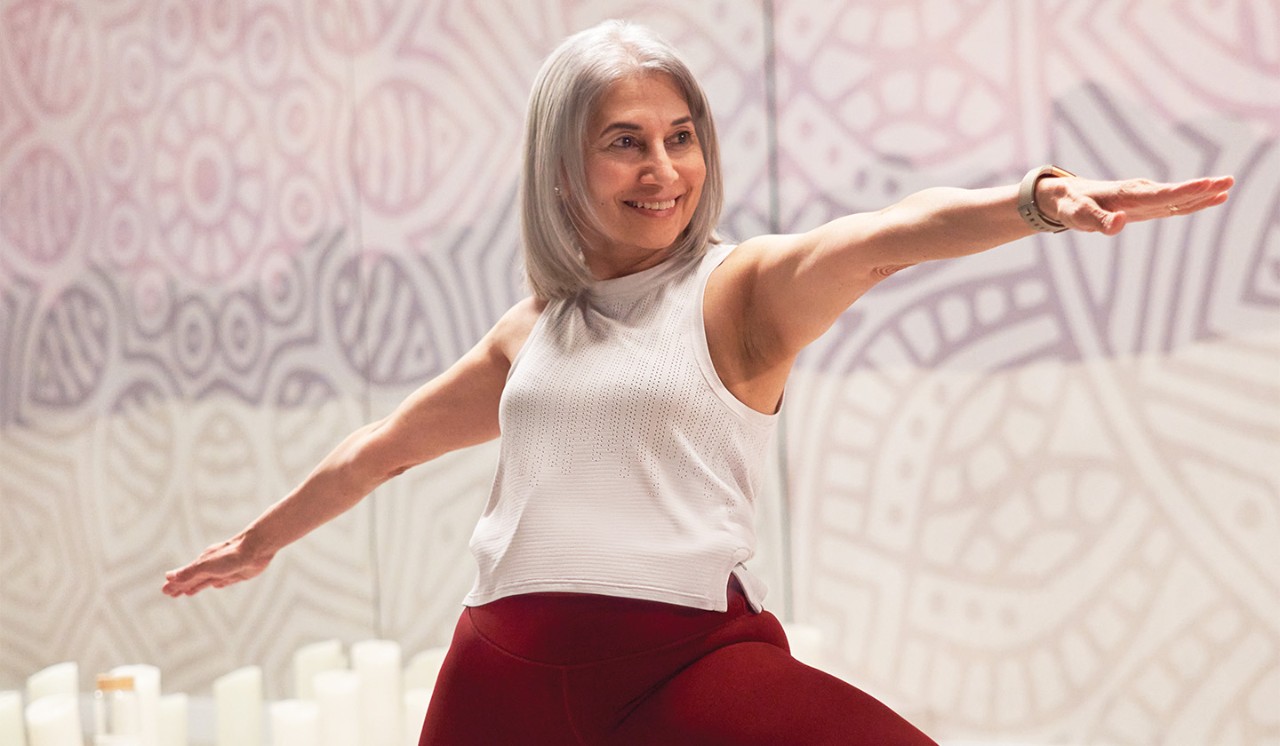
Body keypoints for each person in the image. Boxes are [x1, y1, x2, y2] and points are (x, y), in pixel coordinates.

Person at [163, 20, 1233, 745]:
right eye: (623, 143)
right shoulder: (536, 328)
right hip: (498, 668)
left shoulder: (739, 290)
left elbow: (881, 239)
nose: (662, 169)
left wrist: (1037, 199)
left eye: (680, 138)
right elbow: (381, 449)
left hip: (677, 665)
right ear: (560, 169)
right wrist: (264, 535)